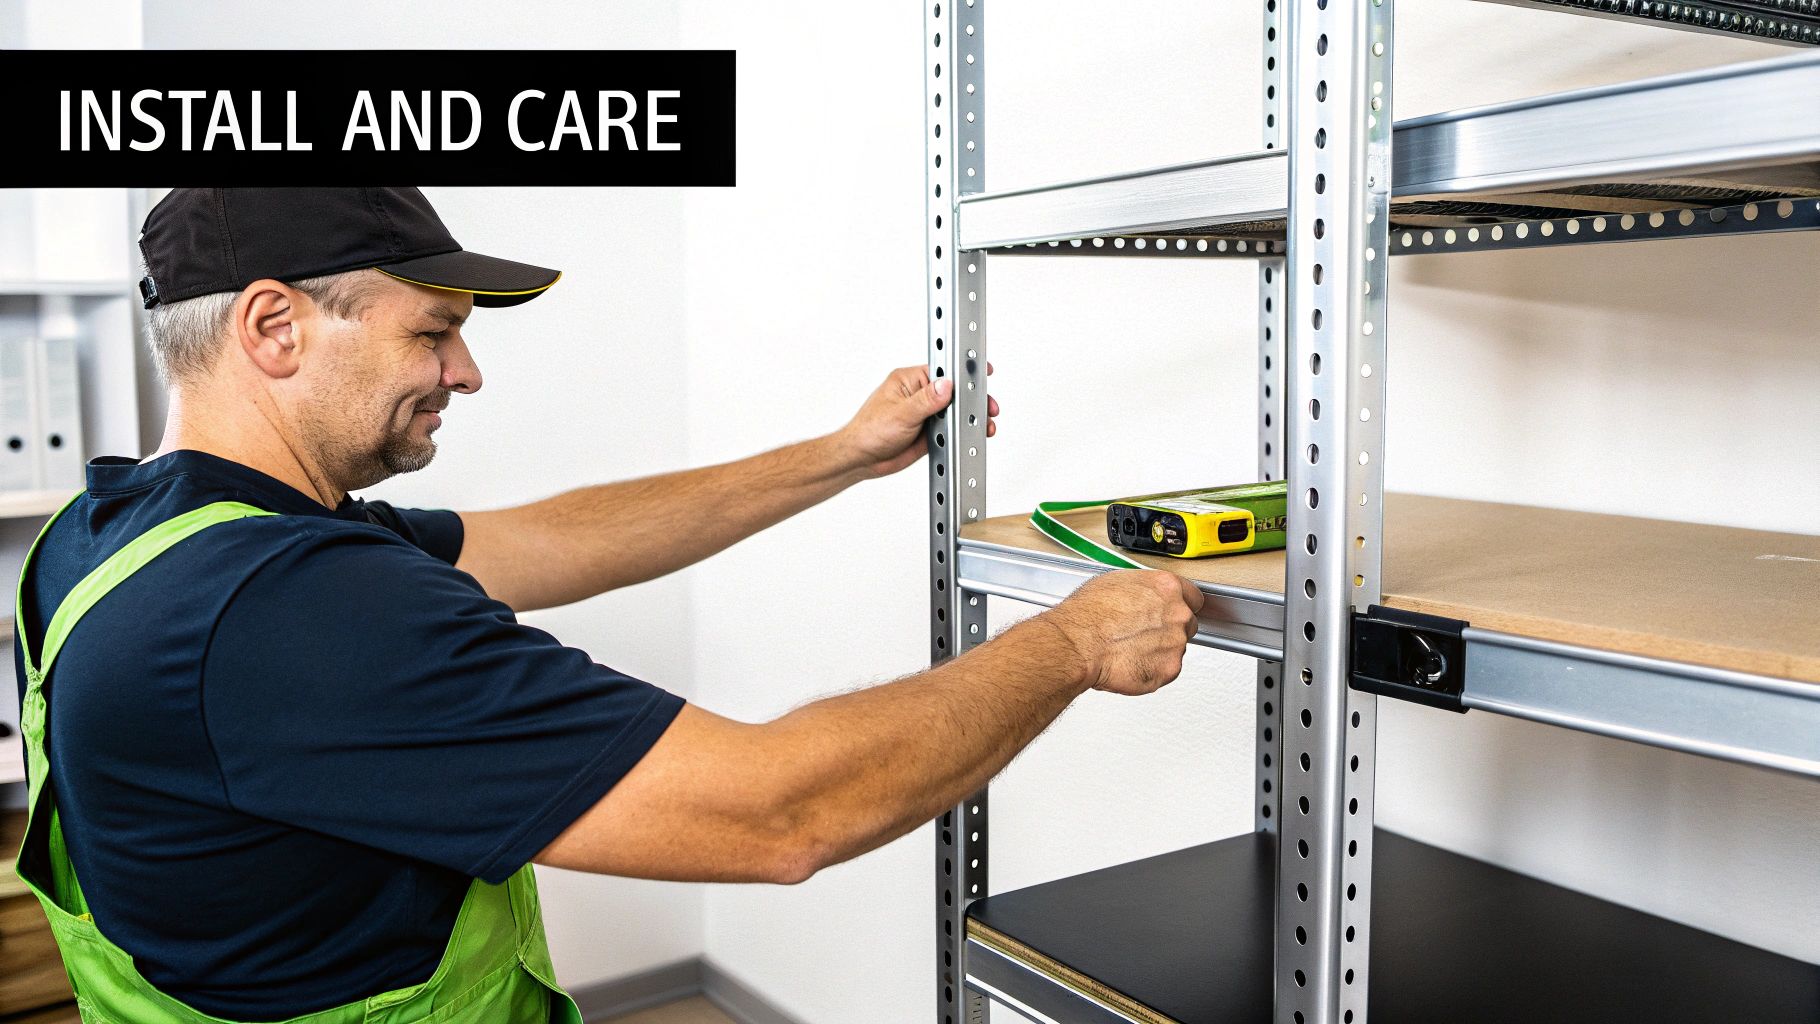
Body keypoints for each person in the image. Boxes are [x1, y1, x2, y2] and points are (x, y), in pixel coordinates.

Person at [11, 187, 1204, 1023]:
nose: (465, 372)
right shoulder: (294, 615)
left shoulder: (115, 533)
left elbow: (544, 539)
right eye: (432, 332)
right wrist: (1070, 640)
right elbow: (785, 811)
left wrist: (837, 454)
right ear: (275, 326)